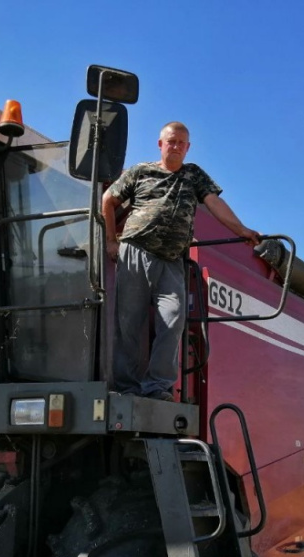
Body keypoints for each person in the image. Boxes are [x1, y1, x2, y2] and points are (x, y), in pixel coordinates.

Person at [102, 121, 260, 401]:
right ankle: (125, 388)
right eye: (171, 141)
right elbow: (107, 199)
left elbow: (215, 203)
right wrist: (111, 241)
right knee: (129, 323)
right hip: (135, 252)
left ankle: (156, 386)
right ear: (160, 144)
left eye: (181, 143)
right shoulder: (141, 171)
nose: (175, 146)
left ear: (187, 149)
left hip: (172, 260)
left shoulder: (194, 175)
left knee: (173, 318)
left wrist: (242, 230)